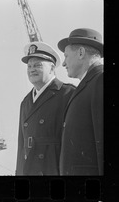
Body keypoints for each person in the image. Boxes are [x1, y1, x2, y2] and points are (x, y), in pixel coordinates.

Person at [16, 42, 75, 176]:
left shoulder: (67, 94)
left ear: (52, 68)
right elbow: (21, 146)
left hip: (54, 170)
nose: (32, 69)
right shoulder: (25, 102)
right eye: (29, 66)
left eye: (37, 65)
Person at [57, 28, 103, 175]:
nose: (63, 64)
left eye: (66, 56)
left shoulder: (100, 81)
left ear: (81, 53)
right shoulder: (89, 84)